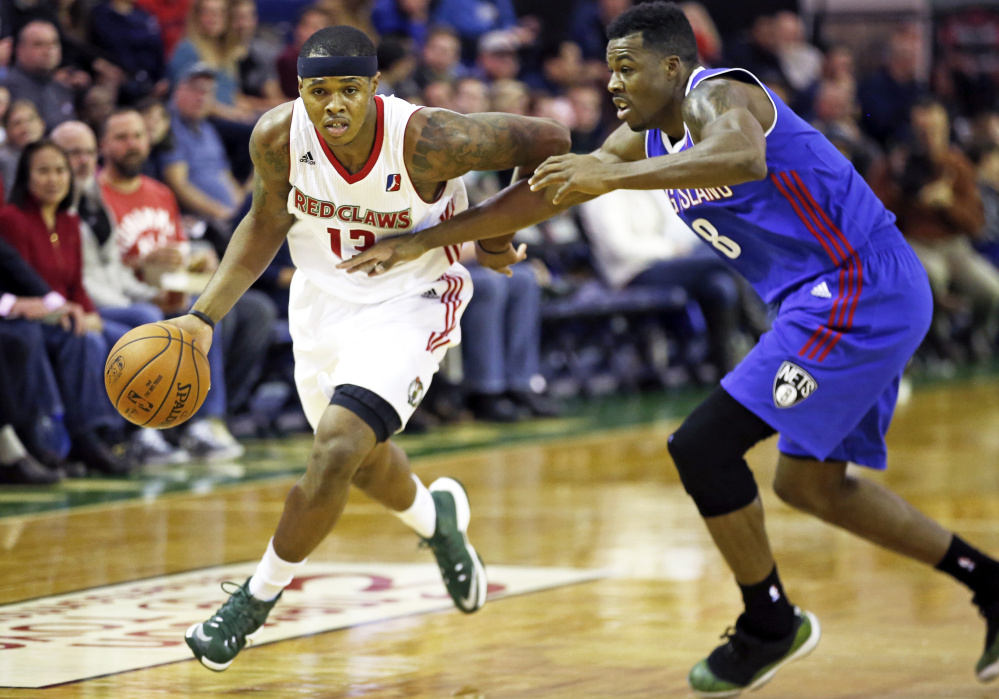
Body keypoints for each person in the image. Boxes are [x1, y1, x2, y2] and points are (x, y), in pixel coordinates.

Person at [342, 3, 999, 694]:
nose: (614, 83)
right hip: (824, 299)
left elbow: (742, 155)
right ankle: (988, 583)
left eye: (627, 68)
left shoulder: (721, 92)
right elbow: (551, 190)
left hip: (857, 286)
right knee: (808, 485)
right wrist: (425, 240)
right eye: (607, 70)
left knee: (702, 447)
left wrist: (611, 177)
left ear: (674, 66)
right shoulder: (639, 139)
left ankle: (768, 623)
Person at [172, 25, 570, 672]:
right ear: (297, 90)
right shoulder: (277, 135)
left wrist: (484, 242)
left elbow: (550, 142)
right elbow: (266, 220)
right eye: (317, 91)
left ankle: (251, 601)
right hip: (320, 304)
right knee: (357, 462)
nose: (332, 105)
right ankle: (436, 519)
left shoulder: (428, 138)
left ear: (374, 87)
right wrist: (202, 317)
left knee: (334, 448)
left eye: (348, 90)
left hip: (410, 300)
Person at [0, 140, 132, 475]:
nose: (53, 179)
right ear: (25, 178)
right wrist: (28, 305)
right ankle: (54, 438)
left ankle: (95, 434)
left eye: (60, 170)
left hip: (57, 313)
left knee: (118, 333)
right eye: (43, 171)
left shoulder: (69, 222)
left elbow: (71, 285)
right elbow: (17, 279)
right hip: (26, 317)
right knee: (83, 338)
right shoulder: (13, 219)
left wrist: (82, 311)